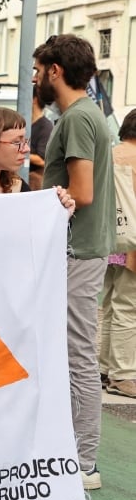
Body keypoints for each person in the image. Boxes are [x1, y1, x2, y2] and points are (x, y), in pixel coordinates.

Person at [35, 34, 115, 490]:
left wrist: (39, 203)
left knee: (78, 353)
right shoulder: (85, 114)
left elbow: (80, 193)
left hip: (78, 250)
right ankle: (77, 454)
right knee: (71, 351)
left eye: (38, 70)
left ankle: (84, 462)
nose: (35, 79)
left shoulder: (79, 118)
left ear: (56, 70)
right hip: (79, 248)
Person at [100, 109, 136, 399]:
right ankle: (123, 374)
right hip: (132, 241)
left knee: (110, 304)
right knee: (128, 306)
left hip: (105, 238)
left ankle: (104, 368)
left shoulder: (109, 155)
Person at [29, 90, 54, 190]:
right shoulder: (26, 122)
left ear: (34, 100)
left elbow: (42, 160)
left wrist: (20, 154)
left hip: (34, 183)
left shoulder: (45, 127)